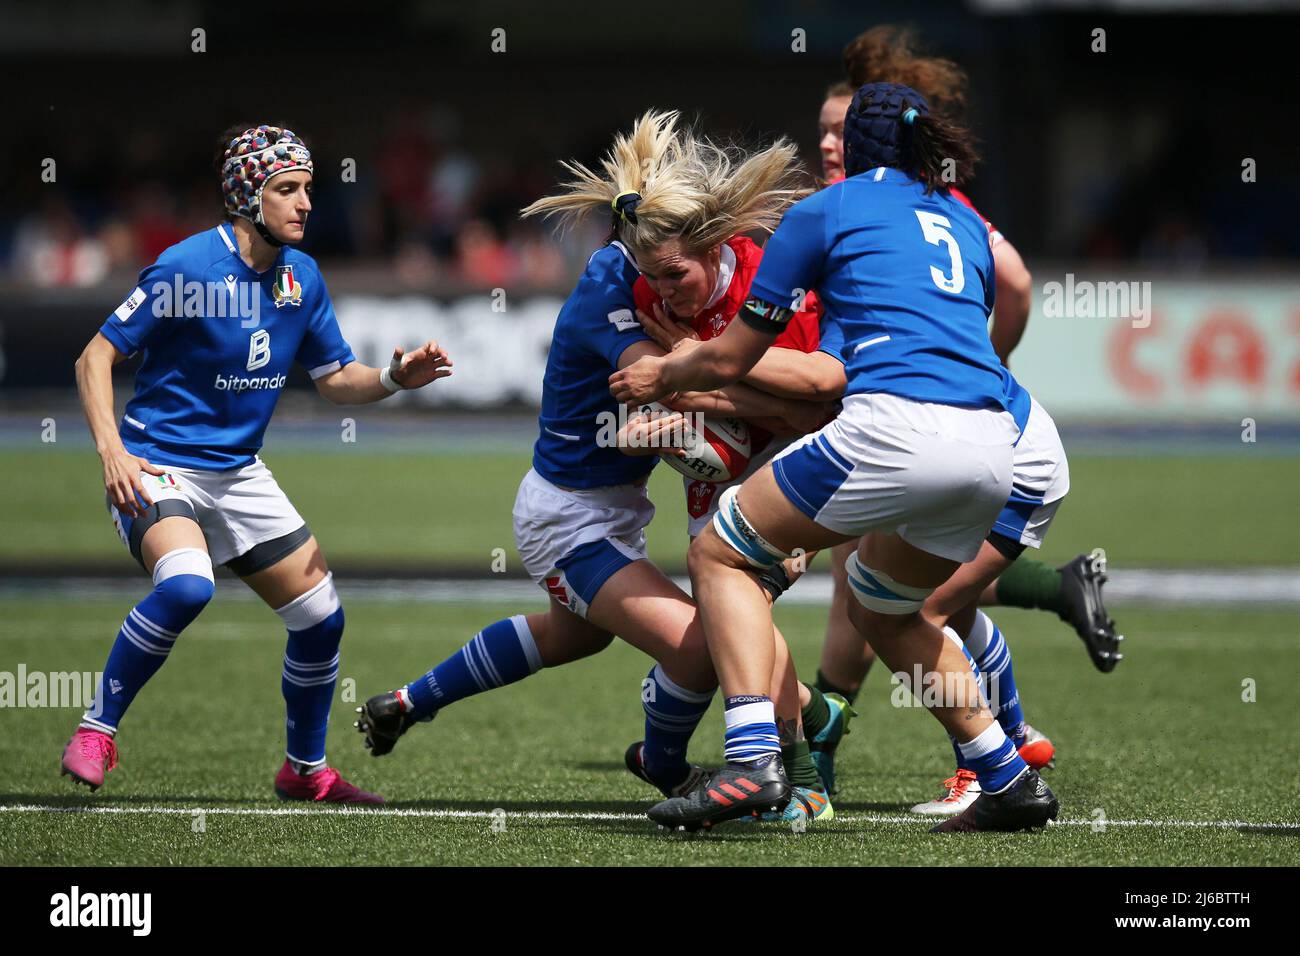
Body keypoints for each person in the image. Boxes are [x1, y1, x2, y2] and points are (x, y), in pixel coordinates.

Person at [355, 111, 836, 822]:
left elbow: (761, 397)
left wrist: (714, 383)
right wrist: (711, 385)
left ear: (713, 243)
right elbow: (658, 381)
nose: (664, 292)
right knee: (708, 641)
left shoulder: (748, 274)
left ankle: (404, 703)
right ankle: (670, 764)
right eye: (651, 275)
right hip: (567, 516)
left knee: (570, 635)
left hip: (619, 513)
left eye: (673, 274)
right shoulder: (609, 290)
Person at [611, 84, 1060, 833]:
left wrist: (667, 372)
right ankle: (1006, 776)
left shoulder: (827, 209)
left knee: (723, 553)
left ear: (851, 146)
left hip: (894, 430)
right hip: (992, 445)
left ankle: (753, 761)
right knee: (891, 612)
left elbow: (732, 359)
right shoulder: (963, 218)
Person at [63, 124, 454, 803]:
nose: (305, 202)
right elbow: (94, 356)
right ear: (249, 195)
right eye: (287, 189)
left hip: (239, 473)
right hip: (159, 465)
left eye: (308, 188)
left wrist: (393, 378)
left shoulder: (302, 277)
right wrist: (113, 454)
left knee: (321, 618)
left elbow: (335, 379)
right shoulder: (186, 268)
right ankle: (97, 729)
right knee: (187, 586)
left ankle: (304, 773)